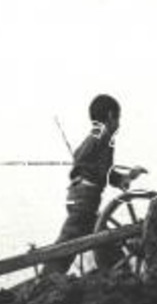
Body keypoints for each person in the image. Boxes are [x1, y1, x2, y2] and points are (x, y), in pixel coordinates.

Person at [39, 94, 146, 277]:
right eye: (118, 118)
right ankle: (46, 281)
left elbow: (100, 169)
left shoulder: (96, 135)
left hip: (82, 196)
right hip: (85, 199)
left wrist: (125, 177)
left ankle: (120, 273)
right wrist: (119, 176)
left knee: (104, 239)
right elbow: (90, 162)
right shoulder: (104, 134)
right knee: (68, 244)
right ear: (111, 115)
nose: (119, 124)